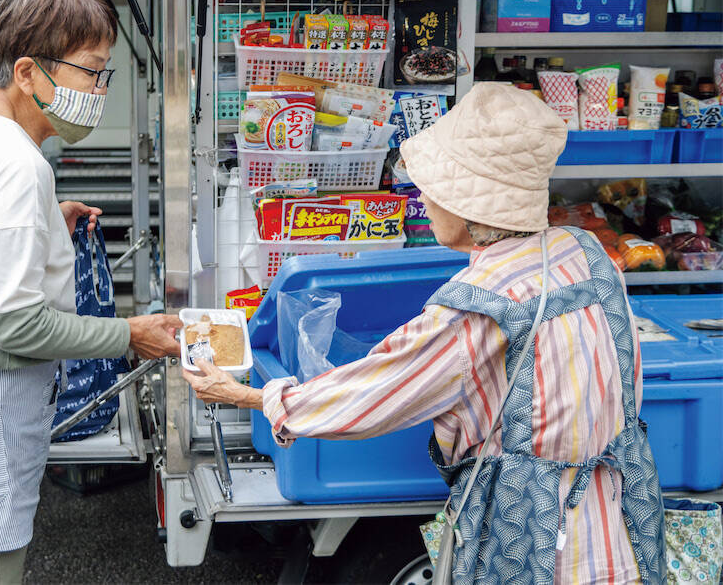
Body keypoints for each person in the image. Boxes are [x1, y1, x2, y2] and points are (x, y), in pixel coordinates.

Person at [184, 83, 667, 583]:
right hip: (624, 529)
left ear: (466, 202)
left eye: (432, 186)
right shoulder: (587, 253)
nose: (423, 197)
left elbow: (369, 394)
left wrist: (248, 393)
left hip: (537, 551)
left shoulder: (474, 307)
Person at [0, 0, 182, 585]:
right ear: (27, 72)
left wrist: (50, 218)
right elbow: (15, 322)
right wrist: (129, 332)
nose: (100, 91)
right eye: (92, 72)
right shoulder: (17, 166)